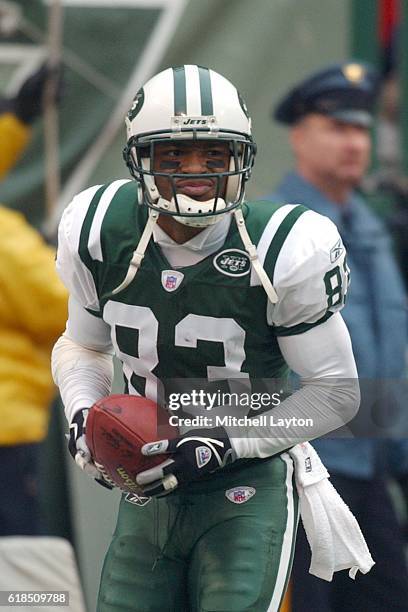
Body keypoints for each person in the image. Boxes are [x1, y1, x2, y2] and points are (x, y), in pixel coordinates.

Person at [52, 65, 361, 611]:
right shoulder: (100, 226)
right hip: (144, 478)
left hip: (245, 482)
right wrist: (82, 412)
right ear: (140, 159)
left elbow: (336, 391)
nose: (196, 172)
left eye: (213, 155)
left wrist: (225, 443)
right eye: (174, 155)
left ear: (240, 157)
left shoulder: (286, 245)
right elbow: (83, 345)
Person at [266, 62, 408, 612]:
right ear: (300, 136)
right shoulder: (274, 230)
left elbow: (384, 357)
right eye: (336, 127)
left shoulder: (370, 229)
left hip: (368, 470)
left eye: (362, 129)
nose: (354, 143)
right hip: (301, 473)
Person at [0, 63, 68, 535]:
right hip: (6, 431)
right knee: (18, 571)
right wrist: (54, 260)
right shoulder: (6, 242)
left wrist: (15, 119)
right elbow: (63, 308)